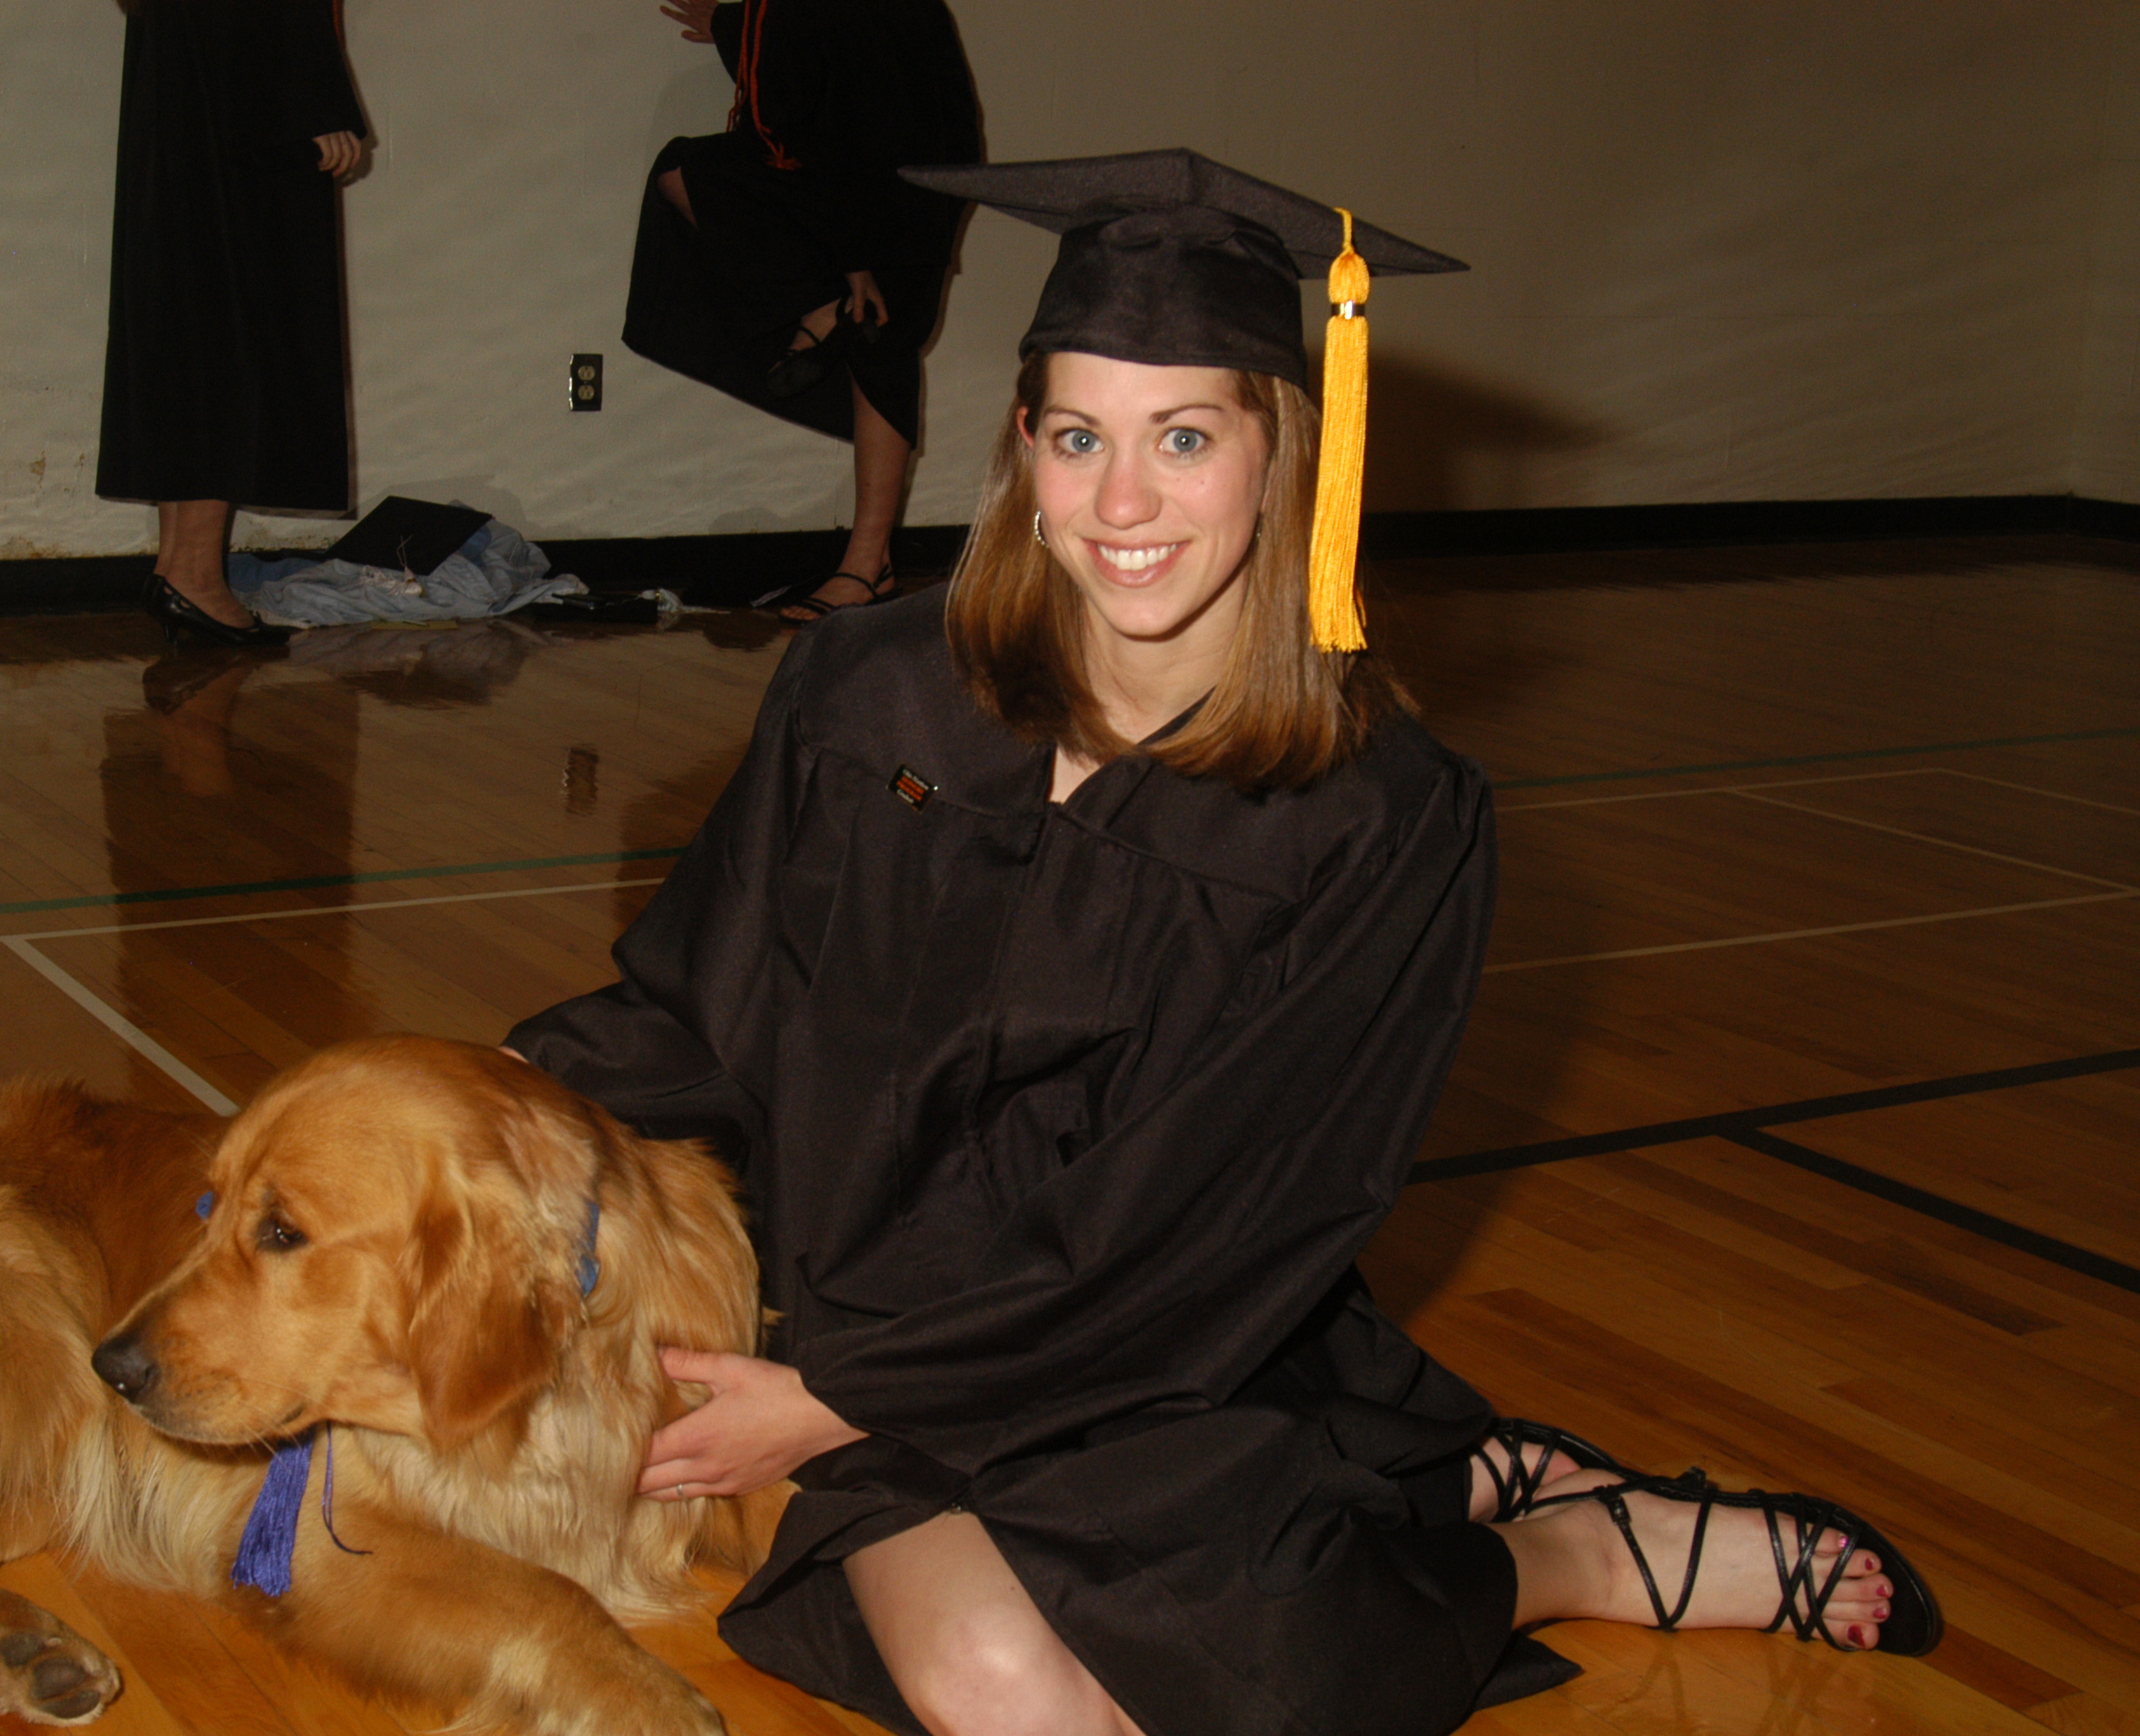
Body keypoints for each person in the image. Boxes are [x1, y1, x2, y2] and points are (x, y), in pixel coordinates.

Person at [509, 150, 1939, 1736]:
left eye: (1182, 439)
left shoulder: (1374, 817)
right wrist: (470, 1107)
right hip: (864, 1309)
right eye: (1076, 438)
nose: (1119, 506)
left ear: (1284, 461)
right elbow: (699, 1008)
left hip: (1142, 1347)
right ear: (1021, 452)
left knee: (1179, 1670)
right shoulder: (871, 697)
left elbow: (1218, 1217)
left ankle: (1562, 1550)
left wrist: (837, 1405)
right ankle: (1472, 1490)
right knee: (1010, 1684)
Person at [626, 0, 983, 622]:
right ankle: (826, 310)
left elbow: (821, 122)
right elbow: (822, 72)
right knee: (691, 173)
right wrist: (735, 27)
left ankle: (867, 565)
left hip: (903, 173)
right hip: (921, 161)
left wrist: (853, 257)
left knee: (878, 337)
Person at [97, 0, 368, 648]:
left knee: (194, 307)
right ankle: (192, 573)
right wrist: (319, 98)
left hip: (194, 74)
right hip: (243, 84)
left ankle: (181, 567)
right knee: (235, 315)